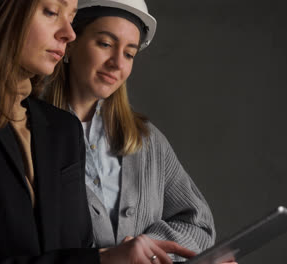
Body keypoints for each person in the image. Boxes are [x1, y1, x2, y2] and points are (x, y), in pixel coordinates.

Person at [0, 0, 197, 263]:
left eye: (72, 18)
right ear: (1, 12)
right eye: (51, 12)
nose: (68, 33)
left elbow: (75, 251)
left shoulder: (61, 130)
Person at [43, 1, 236, 263]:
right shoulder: (29, 135)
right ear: (72, 42)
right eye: (105, 44)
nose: (116, 64)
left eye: (129, 54)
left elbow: (198, 225)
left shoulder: (148, 140)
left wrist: (150, 250)